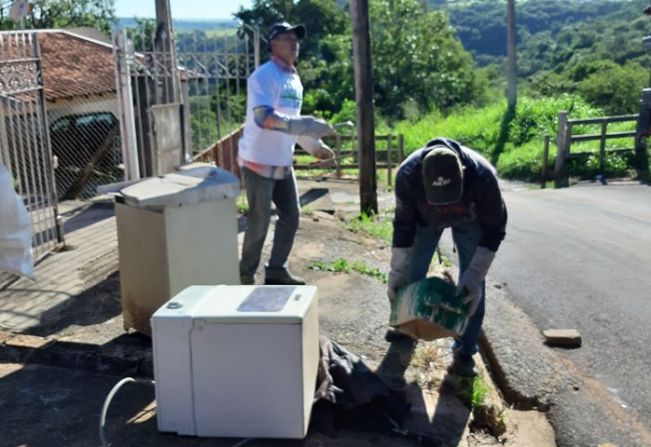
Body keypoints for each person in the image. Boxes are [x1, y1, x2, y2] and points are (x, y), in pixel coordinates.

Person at [387, 137, 507, 377]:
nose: (444, 209)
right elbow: (403, 227)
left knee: (471, 290)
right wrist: (397, 273)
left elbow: (495, 229)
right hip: (424, 221)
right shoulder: (408, 176)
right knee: (410, 276)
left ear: (463, 174)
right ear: (422, 178)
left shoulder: (483, 177)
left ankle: (464, 351)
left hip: (469, 219)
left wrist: (474, 275)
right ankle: (405, 328)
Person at [238, 21, 336, 286]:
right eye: (287, 38)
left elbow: (292, 122)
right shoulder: (264, 76)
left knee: (291, 216)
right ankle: (245, 274)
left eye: (296, 39)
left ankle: (276, 269)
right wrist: (306, 123)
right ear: (273, 44)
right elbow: (264, 118)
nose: (294, 43)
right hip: (257, 161)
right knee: (259, 222)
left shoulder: (294, 80)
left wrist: (315, 146)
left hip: (282, 161)